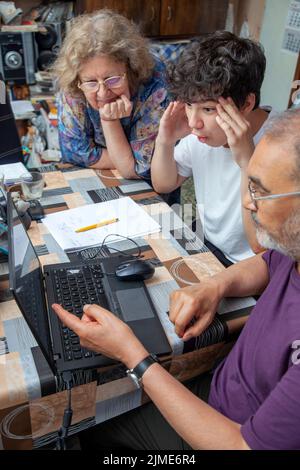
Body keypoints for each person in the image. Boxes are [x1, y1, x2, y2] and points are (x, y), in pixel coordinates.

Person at [53, 108, 300, 450]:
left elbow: (240, 446)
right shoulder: (293, 248)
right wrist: (215, 285)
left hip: (226, 432)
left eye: (258, 192)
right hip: (221, 387)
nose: (246, 202)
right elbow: (268, 263)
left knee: (90, 423)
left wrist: (133, 357)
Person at [151, 31, 274, 265]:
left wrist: (247, 162)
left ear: (247, 103)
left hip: (253, 265)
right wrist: (165, 140)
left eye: (208, 109)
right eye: (188, 105)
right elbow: (163, 183)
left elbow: (260, 245)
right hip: (208, 246)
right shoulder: (202, 134)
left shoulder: (282, 144)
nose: (194, 122)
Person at [53, 9, 178, 181]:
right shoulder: (74, 81)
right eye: (91, 82)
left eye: (112, 79)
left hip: (150, 189)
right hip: (92, 179)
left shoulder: (155, 83)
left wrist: (109, 121)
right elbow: (72, 151)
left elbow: (141, 171)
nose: (103, 93)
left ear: (131, 68)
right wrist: (127, 159)